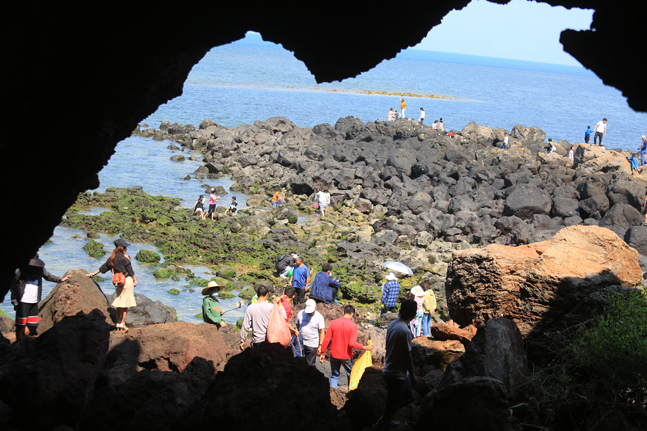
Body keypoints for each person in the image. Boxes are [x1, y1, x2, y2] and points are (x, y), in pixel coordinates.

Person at [374, 299, 418, 430]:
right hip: (397, 374)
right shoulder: (405, 331)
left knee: (406, 398)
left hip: (391, 369)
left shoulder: (393, 324)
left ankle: (386, 420)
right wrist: (413, 376)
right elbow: (407, 355)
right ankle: (382, 424)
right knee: (392, 404)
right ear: (414, 314)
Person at [10, 254, 70, 340]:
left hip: (34, 300)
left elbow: (48, 276)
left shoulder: (39, 269)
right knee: (21, 325)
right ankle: (18, 343)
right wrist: (14, 298)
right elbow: (13, 283)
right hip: (23, 301)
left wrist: (60, 279)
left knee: (31, 324)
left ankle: (24, 341)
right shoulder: (21, 270)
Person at [87, 238, 137, 331]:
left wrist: (93, 274)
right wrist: (135, 280)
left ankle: (117, 323)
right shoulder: (124, 258)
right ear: (122, 248)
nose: (127, 248)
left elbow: (103, 268)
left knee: (119, 302)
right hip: (126, 281)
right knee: (126, 304)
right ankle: (122, 323)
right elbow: (130, 271)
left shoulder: (112, 258)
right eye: (125, 247)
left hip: (118, 283)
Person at [319, 304, 373, 389]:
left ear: (343, 312)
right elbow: (352, 343)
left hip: (334, 354)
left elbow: (326, 339)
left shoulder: (334, 323)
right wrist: (364, 347)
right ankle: (350, 394)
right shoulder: (353, 326)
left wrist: (322, 353)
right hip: (346, 355)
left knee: (334, 375)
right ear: (352, 314)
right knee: (350, 375)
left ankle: (333, 394)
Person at [240, 285, 281, 350]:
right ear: (267, 295)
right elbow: (282, 316)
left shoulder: (250, 308)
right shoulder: (271, 307)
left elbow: (245, 325)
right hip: (269, 339)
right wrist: (280, 303)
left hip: (257, 340)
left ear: (257, 294)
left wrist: (242, 340)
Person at [296, 299, 326, 366]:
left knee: (310, 364)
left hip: (312, 344)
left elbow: (322, 332)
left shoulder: (319, 317)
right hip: (301, 341)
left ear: (315, 308)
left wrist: (320, 345)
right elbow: (297, 324)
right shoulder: (301, 313)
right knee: (298, 361)